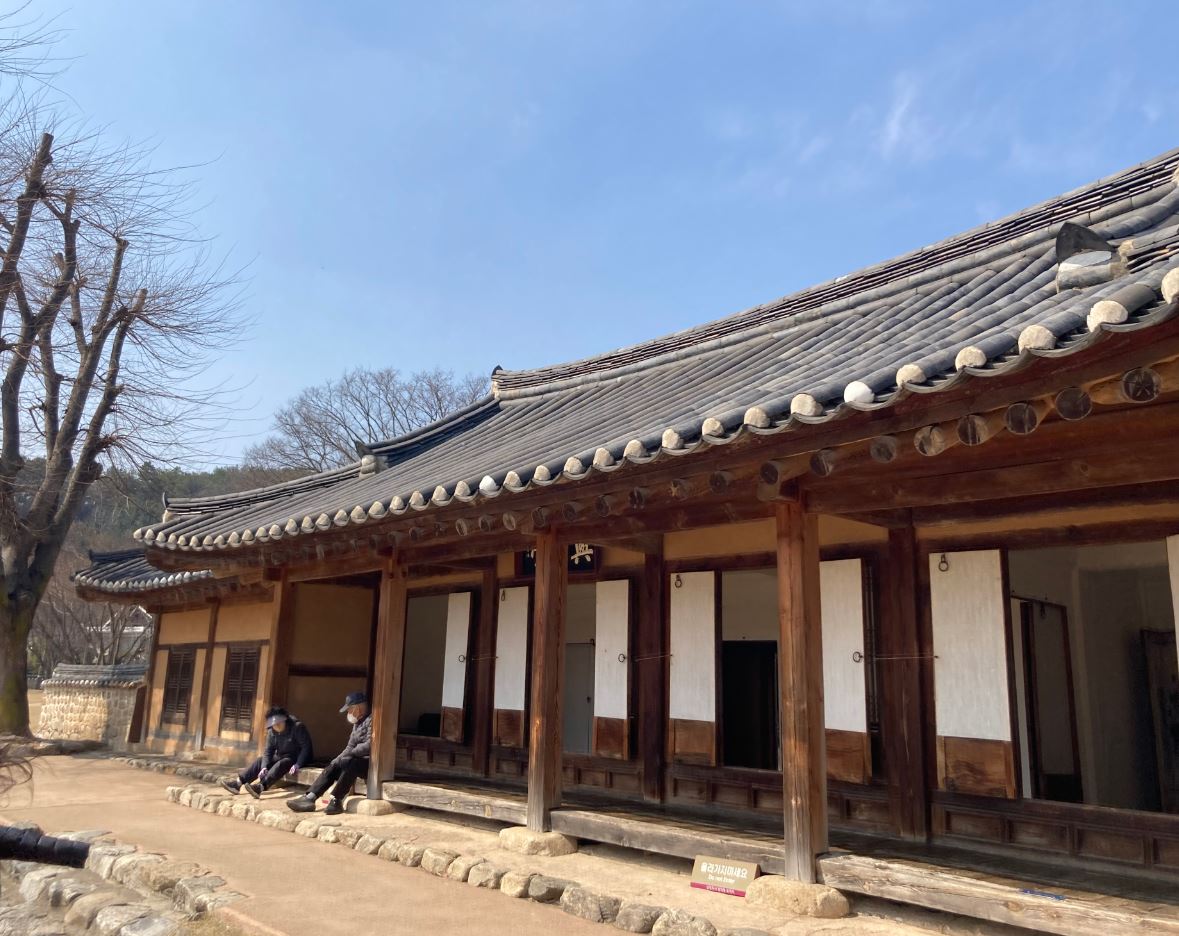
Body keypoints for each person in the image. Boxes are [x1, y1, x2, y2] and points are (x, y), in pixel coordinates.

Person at [287, 690, 370, 816]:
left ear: (357, 708)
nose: (348, 713)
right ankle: (310, 797)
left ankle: (336, 800)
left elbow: (370, 745)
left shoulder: (373, 720)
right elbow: (350, 746)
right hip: (354, 757)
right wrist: (337, 760)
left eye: (349, 710)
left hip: (369, 762)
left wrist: (351, 754)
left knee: (351, 762)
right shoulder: (357, 723)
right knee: (334, 764)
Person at [221, 706, 313, 798]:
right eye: (274, 724)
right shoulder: (271, 732)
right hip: (281, 755)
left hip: (296, 758)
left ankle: (261, 786)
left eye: (279, 723)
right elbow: (268, 751)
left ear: (285, 719)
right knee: (260, 760)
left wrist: (298, 764)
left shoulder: (297, 727)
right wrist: (264, 767)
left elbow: (306, 748)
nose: (277, 726)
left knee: (282, 763)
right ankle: (238, 783)